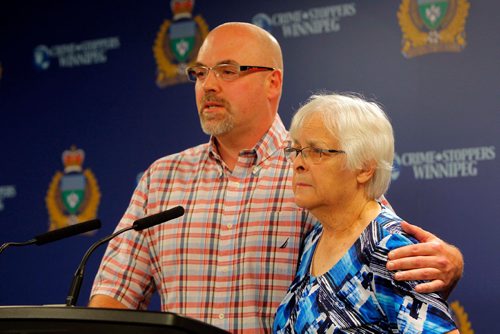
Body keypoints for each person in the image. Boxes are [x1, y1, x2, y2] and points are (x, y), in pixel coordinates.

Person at [89, 22, 463, 333]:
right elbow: (114, 295)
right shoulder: (162, 179)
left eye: (228, 70)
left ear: (273, 82)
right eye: (200, 73)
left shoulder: (320, 168)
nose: (209, 85)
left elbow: (375, 242)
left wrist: (450, 263)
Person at [273, 93, 458, 333]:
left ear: (364, 168)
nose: (298, 163)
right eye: (296, 150)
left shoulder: (389, 250)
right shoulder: (315, 239)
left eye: (317, 151)